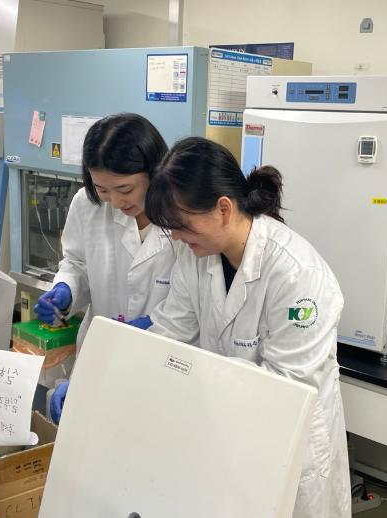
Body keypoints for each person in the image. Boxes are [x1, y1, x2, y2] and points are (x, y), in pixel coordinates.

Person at [141, 137, 351, 518]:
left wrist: (197, 376)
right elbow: (171, 334)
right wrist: (115, 374)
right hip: (228, 431)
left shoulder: (297, 274)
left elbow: (286, 387)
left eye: (182, 225)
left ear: (223, 209)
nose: (176, 237)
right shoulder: (195, 256)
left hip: (289, 443)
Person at [34, 113, 178, 351]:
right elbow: (77, 263)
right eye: (102, 189)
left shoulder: (181, 215)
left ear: (155, 171)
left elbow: (192, 298)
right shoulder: (86, 204)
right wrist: (66, 288)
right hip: (101, 348)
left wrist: (155, 324)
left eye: (125, 189)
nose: (116, 201)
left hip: (165, 352)